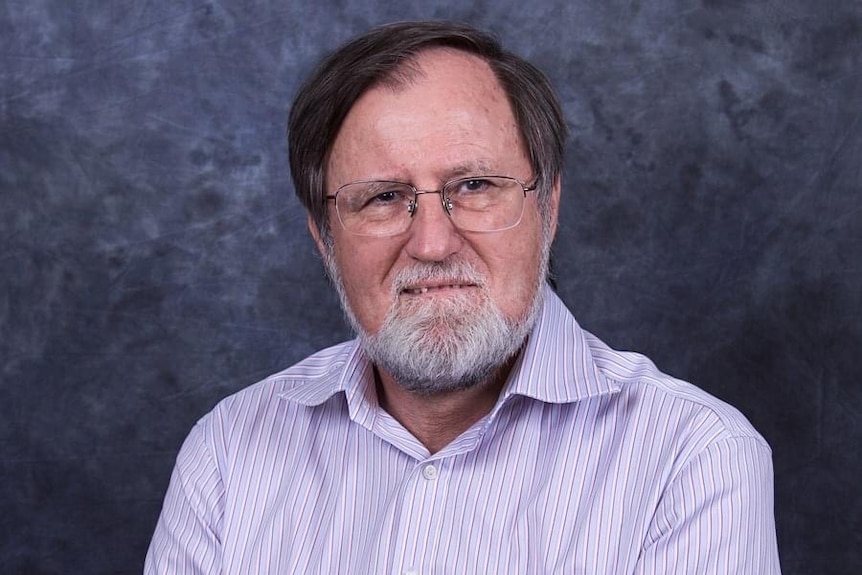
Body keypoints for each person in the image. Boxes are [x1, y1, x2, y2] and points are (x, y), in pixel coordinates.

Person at [145, 21, 781, 574]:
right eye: (383, 196)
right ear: (324, 237)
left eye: (474, 185)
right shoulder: (229, 452)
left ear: (548, 207)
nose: (431, 241)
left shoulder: (693, 459)